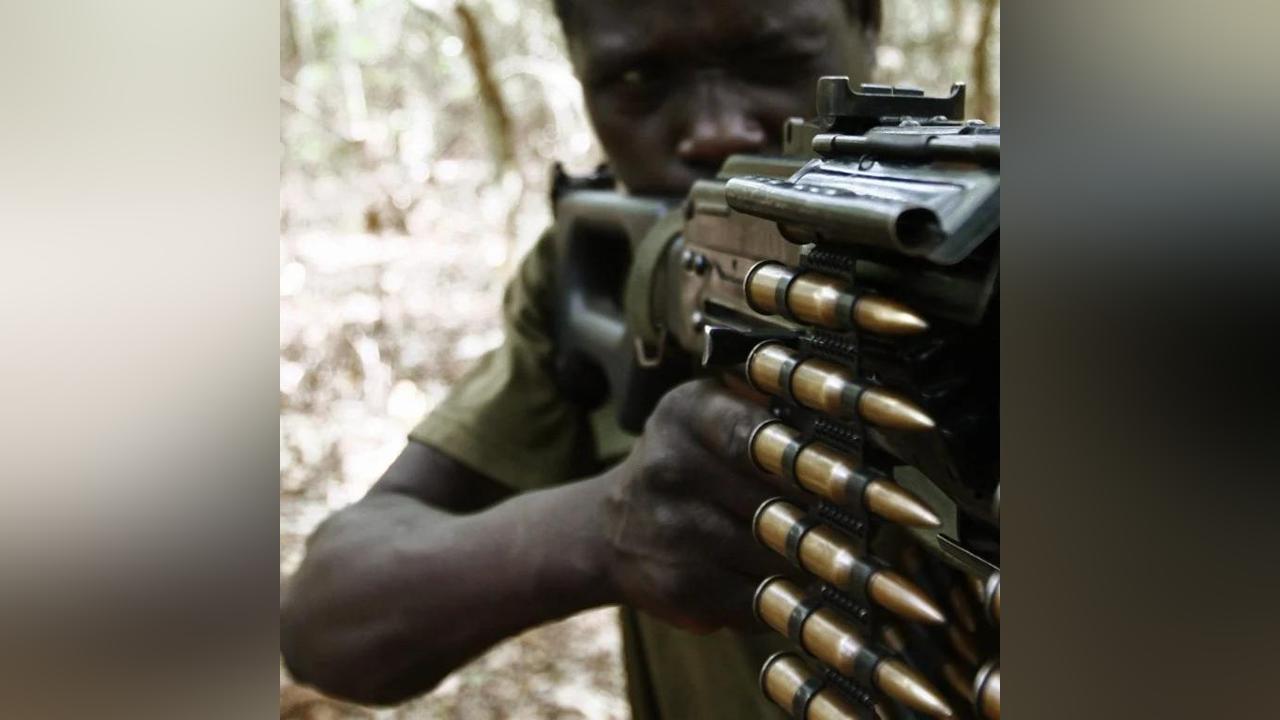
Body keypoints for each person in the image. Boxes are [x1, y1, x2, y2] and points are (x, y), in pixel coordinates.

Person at [281, 1, 883, 717]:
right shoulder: (601, 265)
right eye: (638, 79)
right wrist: (599, 530)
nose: (716, 129)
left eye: (775, 60)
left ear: (869, 28)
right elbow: (328, 620)